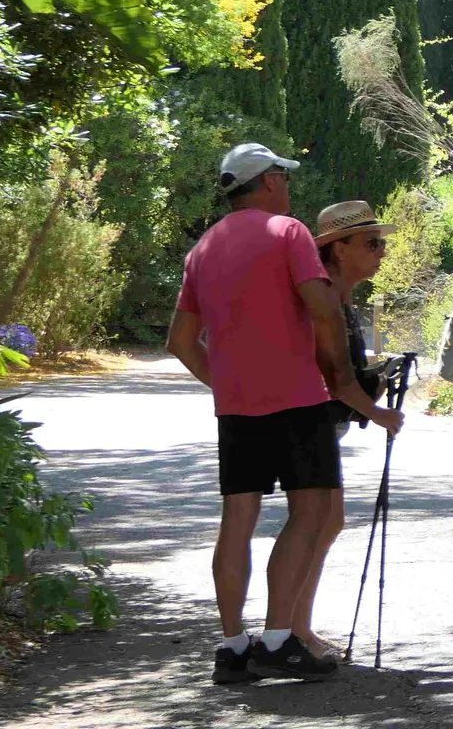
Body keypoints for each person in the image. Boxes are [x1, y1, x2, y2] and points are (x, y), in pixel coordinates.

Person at [165, 144, 403, 685]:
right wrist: (347, 385)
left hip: (237, 408)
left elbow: (180, 341)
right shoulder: (288, 232)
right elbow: (322, 310)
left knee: (238, 520)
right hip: (299, 400)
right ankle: (278, 638)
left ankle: (231, 646)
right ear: (268, 182)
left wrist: (225, 381)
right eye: (283, 177)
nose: (287, 187)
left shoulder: (202, 249)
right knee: (312, 513)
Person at [294, 200, 398, 658]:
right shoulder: (325, 296)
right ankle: (293, 631)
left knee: (325, 522)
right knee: (315, 524)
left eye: (381, 243)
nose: (381, 252)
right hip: (307, 423)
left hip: (321, 426)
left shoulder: (339, 294)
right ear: (338, 249)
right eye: (371, 243)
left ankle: (298, 627)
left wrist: (375, 376)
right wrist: (379, 411)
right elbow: (331, 379)